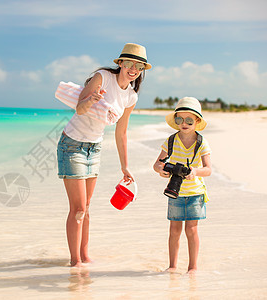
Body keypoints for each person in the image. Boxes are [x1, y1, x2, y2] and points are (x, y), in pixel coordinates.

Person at [57, 43, 152, 267]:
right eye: (129, 63)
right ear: (120, 63)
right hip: (72, 144)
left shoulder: (130, 96)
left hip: (94, 148)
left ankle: (85, 255)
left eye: (138, 66)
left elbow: (122, 132)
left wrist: (125, 166)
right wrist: (91, 100)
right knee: (78, 208)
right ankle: (74, 261)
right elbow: (79, 109)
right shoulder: (101, 77)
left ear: (141, 71)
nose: (133, 69)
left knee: (87, 207)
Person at [153, 97, 212, 274]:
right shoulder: (171, 141)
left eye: (189, 120)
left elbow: (208, 169)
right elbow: (156, 164)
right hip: (175, 192)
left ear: (197, 121)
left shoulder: (201, 142)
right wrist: (161, 170)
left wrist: (194, 172)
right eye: (179, 119)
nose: (184, 124)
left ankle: (192, 267)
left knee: (191, 230)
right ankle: (172, 266)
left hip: (195, 192)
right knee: (174, 230)